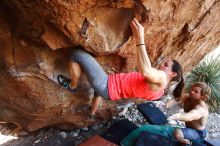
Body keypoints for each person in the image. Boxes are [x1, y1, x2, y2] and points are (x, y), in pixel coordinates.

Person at [57, 18, 184, 115]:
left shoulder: (161, 79)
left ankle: (72, 86)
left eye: (166, 65)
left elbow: (146, 71)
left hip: (106, 85)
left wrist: (139, 37)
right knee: (98, 92)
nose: (162, 65)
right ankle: (91, 113)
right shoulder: (160, 92)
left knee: (76, 54)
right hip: (111, 92)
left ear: (172, 74)